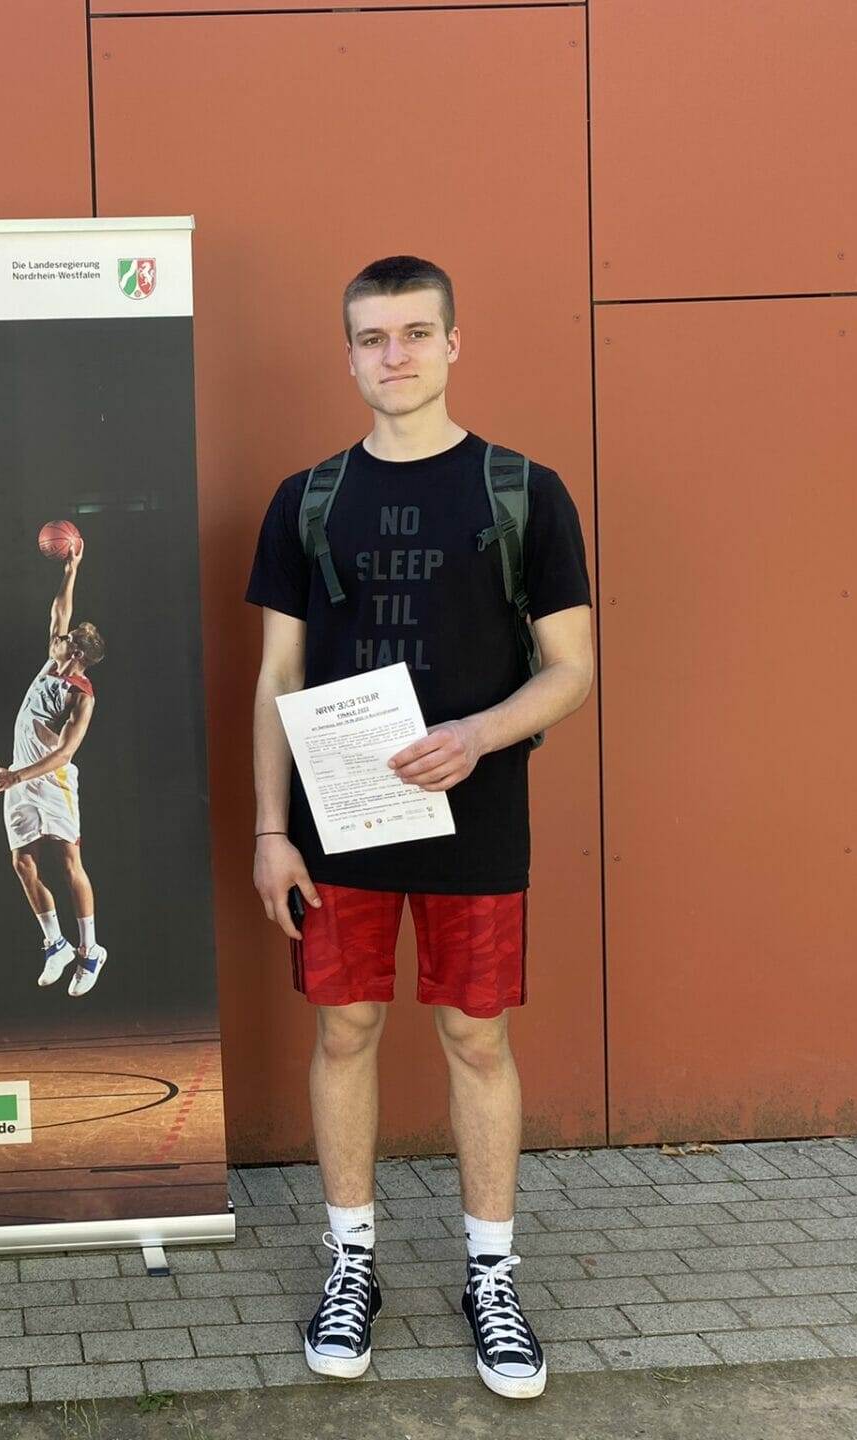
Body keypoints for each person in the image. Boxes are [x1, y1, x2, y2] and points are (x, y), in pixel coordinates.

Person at [246, 256, 594, 1399]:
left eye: (413, 332)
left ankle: (490, 1275)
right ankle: (352, 1263)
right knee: (345, 1031)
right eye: (371, 337)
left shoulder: (524, 489)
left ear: (453, 342)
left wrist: (480, 734)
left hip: (475, 817)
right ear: (347, 355)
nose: (392, 355)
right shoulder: (308, 498)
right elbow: (278, 678)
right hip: (340, 822)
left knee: (476, 1040)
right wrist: (271, 830)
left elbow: (573, 667)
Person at [0, 541, 109, 996]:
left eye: (70, 640)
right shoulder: (53, 658)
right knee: (22, 861)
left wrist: (17, 775)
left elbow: (65, 754)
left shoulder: (81, 695)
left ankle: (90, 950)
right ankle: (56, 943)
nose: (61, 638)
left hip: (52, 780)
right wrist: (71, 570)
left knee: (69, 861)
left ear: (80, 654)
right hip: (19, 776)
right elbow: (59, 611)